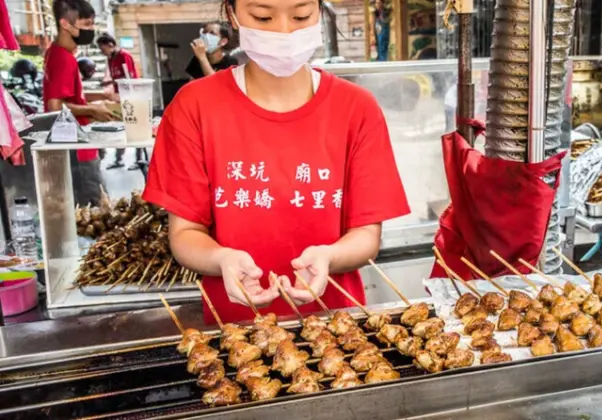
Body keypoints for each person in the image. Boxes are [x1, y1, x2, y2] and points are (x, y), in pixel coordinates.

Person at [143, 0, 409, 324]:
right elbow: (185, 233)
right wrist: (221, 259)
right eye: (263, 16)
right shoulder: (193, 107)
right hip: (236, 331)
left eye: (301, 16)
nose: (284, 31)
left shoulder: (357, 109)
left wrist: (331, 256)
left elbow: (367, 234)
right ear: (232, 14)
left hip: (338, 327)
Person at [44, 0, 113, 205]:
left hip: (75, 147)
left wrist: (104, 97)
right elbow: (54, 107)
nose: (91, 31)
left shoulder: (56, 53)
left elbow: (71, 96)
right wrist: (93, 110)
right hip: (77, 151)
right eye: (86, 25)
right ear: (65, 24)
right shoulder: (64, 59)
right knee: (94, 212)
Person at [96, 33, 145, 170]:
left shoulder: (124, 56)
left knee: (136, 128)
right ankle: (119, 159)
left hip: (132, 97)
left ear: (110, 45)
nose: (102, 51)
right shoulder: (111, 59)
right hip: (120, 98)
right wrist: (108, 82)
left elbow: (130, 77)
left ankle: (139, 159)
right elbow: (117, 77)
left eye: (102, 48)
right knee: (119, 127)